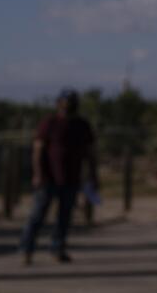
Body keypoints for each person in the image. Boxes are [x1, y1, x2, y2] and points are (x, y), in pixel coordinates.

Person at [20, 88, 98, 264]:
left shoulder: (82, 125)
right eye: (65, 102)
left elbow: (90, 153)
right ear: (58, 104)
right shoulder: (50, 123)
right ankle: (27, 249)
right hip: (49, 179)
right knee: (37, 216)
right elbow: (37, 150)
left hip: (71, 179)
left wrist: (93, 176)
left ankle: (58, 248)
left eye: (71, 102)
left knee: (65, 217)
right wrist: (38, 174)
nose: (67, 106)